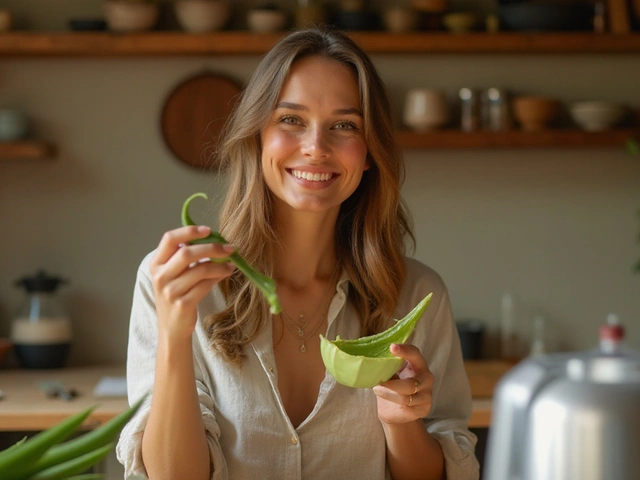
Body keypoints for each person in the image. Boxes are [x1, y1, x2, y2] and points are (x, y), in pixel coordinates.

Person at [116, 27, 479, 480]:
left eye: (344, 126)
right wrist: (173, 337)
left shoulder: (419, 295)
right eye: (290, 119)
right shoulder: (170, 283)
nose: (315, 147)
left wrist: (400, 421)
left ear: (369, 154)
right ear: (258, 136)